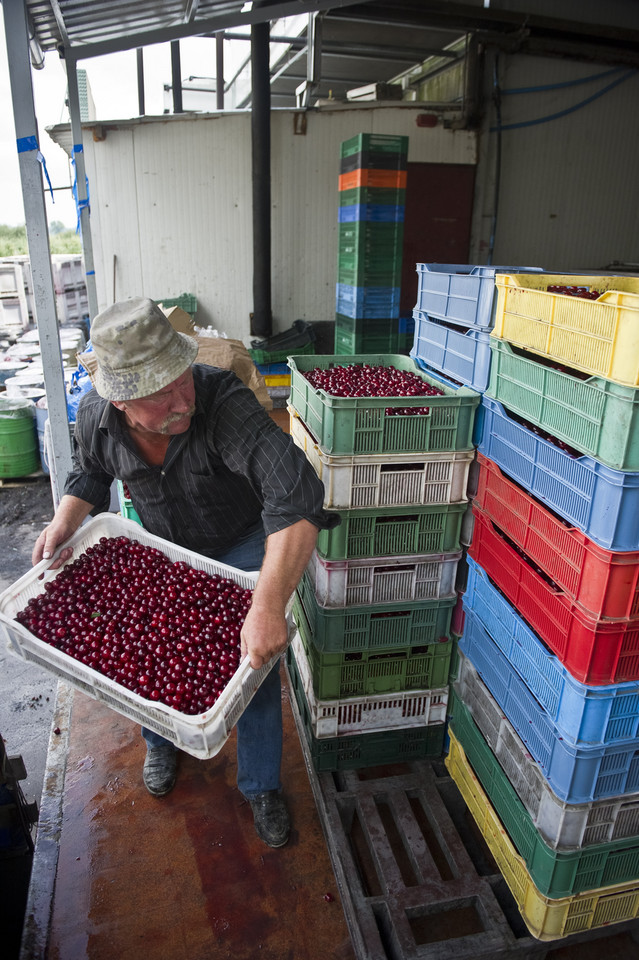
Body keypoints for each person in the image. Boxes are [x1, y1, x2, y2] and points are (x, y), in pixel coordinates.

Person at [32, 297, 338, 848]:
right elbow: (88, 476)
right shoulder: (96, 421)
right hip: (167, 549)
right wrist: (64, 520)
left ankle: (262, 784)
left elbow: (295, 495)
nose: (181, 400)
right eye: (161, 395)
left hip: (244, 543)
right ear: (121, 401)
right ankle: (161, 741)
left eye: (181, 381)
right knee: (145, 648)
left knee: (254, 663)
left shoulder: (221, 400)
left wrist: (266, 607)